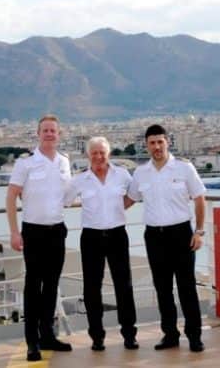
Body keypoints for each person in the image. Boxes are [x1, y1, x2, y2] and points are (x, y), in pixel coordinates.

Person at [129, 123, 207, 353]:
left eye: (160, 142)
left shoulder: (184, 168)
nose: (156, 147)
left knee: (186, 287)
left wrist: (199, 232)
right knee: (162, 288)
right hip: (154, 236)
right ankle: (170, 334)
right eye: (152, 143)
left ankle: (194, 336)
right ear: (146, 145)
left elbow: (200, 198)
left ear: (168, 142)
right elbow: (128, 199)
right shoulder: (141, 172)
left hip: (182, 233)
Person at [7, 114, 73, 363]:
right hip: (33, 231)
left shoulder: (65, 162)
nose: (49, 134)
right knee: (33, 287)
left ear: (59, 134)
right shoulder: (26, 163)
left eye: (53, 131)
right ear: (38, 134)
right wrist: (14, 231)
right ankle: (31, 342)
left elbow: (68, 195)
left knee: (52, 285)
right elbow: (11, 196)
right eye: (45, 130)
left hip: (57, 230)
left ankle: (48, 335)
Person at [65, 137, 138, 351]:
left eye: (102, 153)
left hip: (117, 234)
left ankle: (129, 334)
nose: (98, 157)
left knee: (124, 286)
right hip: (91, 237)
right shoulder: (80, 180)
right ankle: (97, 337)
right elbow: (64, 200)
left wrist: (118, 210)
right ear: (88, 155)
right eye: (94, 153)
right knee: (92, 288)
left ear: (109, 154)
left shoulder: (122, 175)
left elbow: (133, 195)